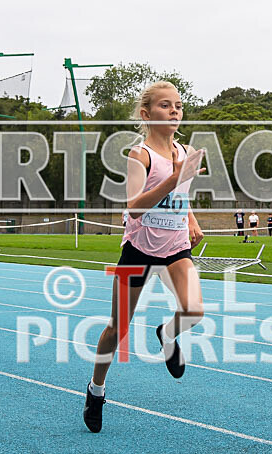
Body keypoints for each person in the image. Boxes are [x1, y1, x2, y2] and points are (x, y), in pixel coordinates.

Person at [83, 81, 206, 433]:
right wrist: (173, 179)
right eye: (166, 105)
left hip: (175, 246)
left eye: (179, 105)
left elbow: (181, 195)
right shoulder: (140, 156)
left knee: (194, 310)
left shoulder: (186, 151)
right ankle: (96, 390)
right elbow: (134, 207)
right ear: (146, 113)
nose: (175, 111)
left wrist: (192, 220)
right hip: (138, 248)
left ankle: (167, 335)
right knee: (117, 329)